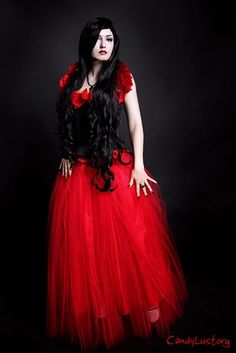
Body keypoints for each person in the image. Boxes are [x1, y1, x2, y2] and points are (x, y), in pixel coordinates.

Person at [46, 17, 188, 352]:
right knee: (87, 245)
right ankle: (103, 309)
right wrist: (65, 153)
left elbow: (136, 123)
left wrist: (138, 165)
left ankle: (146, 305)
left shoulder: (122, 76)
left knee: (132, 239)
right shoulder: (71, 78)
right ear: (88, 43)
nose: (104, 44)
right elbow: (67, 122)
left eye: (109, 38)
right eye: (98, 38)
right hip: (77, 175)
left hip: (113, 170)